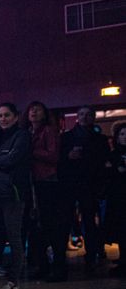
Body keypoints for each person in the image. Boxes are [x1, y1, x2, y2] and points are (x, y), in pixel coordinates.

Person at [0, 102, 31, 289]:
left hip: (13, 194)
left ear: (16, 117)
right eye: (0, 115)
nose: (2, 119)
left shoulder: (22, 136)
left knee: (14, 237)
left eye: (6, 115)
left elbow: (11, 159)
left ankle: (13, 280)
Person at [58, 105, 109, 273]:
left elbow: (103, 163)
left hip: (88, 184)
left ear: (93, 117)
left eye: (88, 114)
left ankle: (91, 255)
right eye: (82, 114)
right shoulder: (66, 138)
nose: (85, 117)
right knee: (67, 221)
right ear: (77, 117)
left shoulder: (99, 139)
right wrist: (68, 156)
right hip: (71, 184)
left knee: (89, 222)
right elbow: (59, 162)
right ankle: (62, 257)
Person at [21, 101, 63, 280]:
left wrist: (31, 151)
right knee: (37, 227)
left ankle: (58, 268)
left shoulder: (48, 131)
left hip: (47, 181)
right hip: (32, 182)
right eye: (31, 109)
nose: (34, 112)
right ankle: (42, 265)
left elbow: (54, 156)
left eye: (37, 110)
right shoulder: (27, 132)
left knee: (50, 226)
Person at [104, 122, 126, 277]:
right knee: (121, 229)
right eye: (122, 134)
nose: (124, 137)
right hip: (118, 198)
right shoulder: (113, 155)